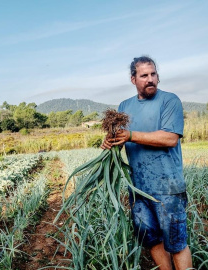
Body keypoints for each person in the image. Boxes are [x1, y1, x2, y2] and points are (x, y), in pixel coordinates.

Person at [101, 56, 193, 270]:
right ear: (133, 79)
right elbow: (120, 139)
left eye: (153, 74)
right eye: (144, 75)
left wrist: (130, 135)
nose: (150, 79)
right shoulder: (124, 106)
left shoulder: (170, 100)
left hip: (168, 189)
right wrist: (110, 142)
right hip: (138, 190)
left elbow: (170, 138)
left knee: (177, 244)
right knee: (152, 241)